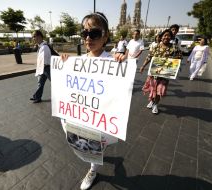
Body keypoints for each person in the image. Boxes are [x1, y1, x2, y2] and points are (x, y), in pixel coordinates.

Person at [60, 12, 118, 190]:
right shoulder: (78, 61)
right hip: (82, 116)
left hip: (100, 119)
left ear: (105, 35)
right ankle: (94, 164)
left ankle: (93, 170)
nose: (88, 38)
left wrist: (121, 64)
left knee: (96, 146)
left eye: (94, 33)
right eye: (84, 33)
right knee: (85, 143)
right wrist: (64, 66)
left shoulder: (112, 62)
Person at [139, 29, 182, 114]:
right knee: (153, 88)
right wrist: (143, 66)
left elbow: (179, 57)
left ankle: (155, 104)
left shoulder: (174, 47)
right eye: (165, 35)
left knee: (160, 89)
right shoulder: (156, 47)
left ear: (171, 37)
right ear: (161, 37)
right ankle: (151, 100)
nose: (166, 37)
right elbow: (149, 57)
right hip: (154, 73)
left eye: (168, 35)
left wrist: (174, 62)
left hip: (165, 73)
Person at [30, 30, 51, 103]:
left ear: (39, 37)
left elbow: (45, 59)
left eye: (34, 36)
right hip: (42, 69)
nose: (33, 38)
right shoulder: (40, 46)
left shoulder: (45, 47)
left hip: (47, 68)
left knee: (55, 83)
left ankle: (64, 96)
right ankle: (37, 97)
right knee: (40, 84)